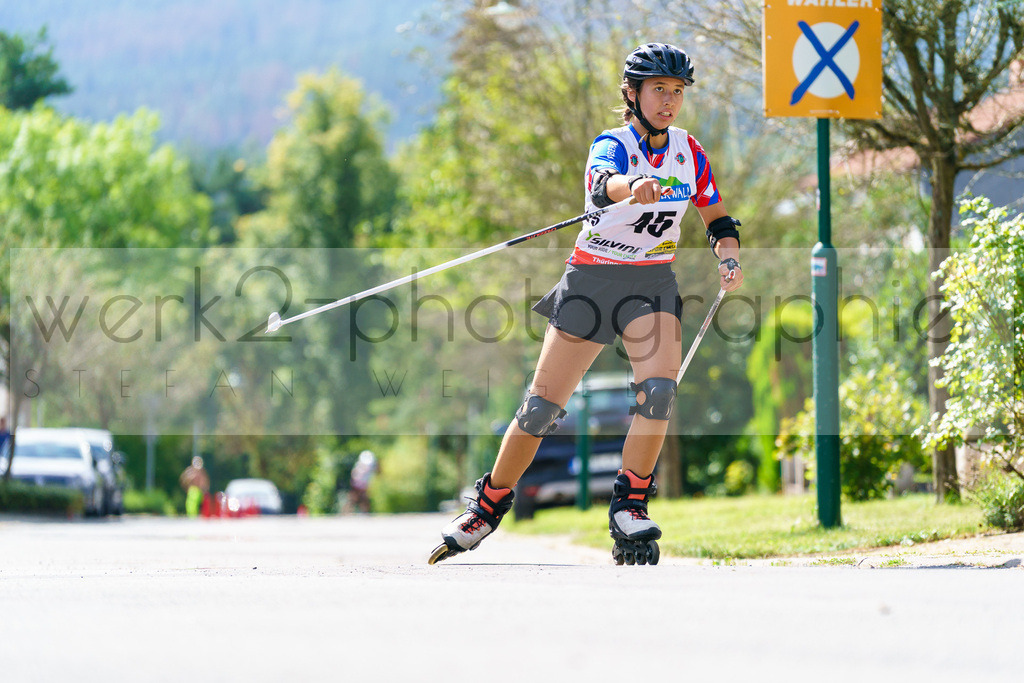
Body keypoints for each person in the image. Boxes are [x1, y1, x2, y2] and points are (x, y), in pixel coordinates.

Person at [429, 43, 744, 565]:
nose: (669, 101)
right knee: (541, 409)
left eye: (677, 92)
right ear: (633, 93)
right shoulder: (613, 143)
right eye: (658, 90)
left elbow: (717, 217)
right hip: (593, 281)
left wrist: (728, 257)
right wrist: (632, 187)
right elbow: (601, 186)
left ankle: (631, 505)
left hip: (651, 282)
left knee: (659, 392)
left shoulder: (691, 151)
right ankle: (488, 506)